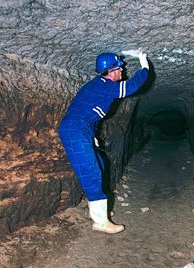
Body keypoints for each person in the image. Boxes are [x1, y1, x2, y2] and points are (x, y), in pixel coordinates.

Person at [58, 50, 149, 234]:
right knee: (91, 170)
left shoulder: (99, 85)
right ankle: (100, 222)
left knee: (98, 163)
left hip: (81, 129)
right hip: (75, 130)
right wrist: (144, 66)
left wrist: (90, 135)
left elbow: (85, 113)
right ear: (111, 71)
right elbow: (131, 87)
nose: (122, 72)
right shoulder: (105, 86)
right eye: (120, 69)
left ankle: (101, 212)